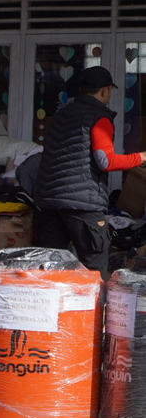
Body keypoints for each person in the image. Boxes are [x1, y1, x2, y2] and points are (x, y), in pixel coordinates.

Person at [33, 65, 139, 274]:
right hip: (82, 205)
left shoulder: (61, 114)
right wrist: (141, 157)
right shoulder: (99, 118)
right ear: (105, 91)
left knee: (50, 269)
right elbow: (106, 161)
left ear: (81, 90)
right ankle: (93, 298)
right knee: (94, 269)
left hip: (50, 202)